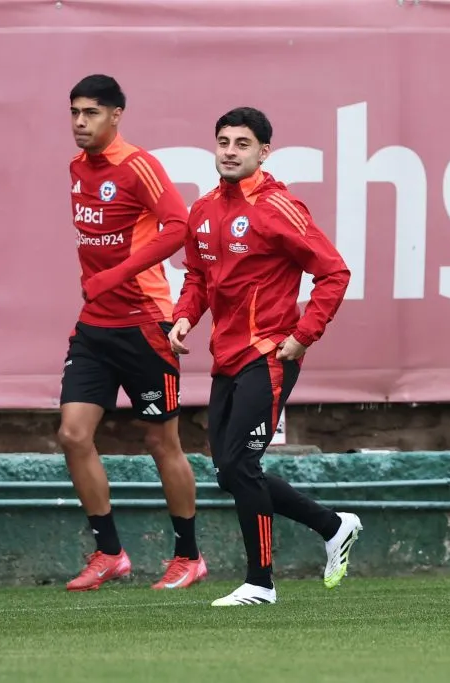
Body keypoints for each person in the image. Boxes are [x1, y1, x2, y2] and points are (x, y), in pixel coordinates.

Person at [168, 106, 362, 607]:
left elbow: (334, 273)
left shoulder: (278, 206)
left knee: (242, 463)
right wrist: (185, 315)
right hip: (225, 356)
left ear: (263, 152)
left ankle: (260, 583)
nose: (230, 152)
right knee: (230, 472)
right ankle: (333, 525)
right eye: (223, 142)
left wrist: (302, 336)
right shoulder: (204, 208)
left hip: (270, 352)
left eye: (242, 144)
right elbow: (197, 276)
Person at [62, 74, 206, 591]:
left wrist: (114, 277)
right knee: (73, 434)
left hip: (146, 324)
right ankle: (110, 553)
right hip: (94, 328)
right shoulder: (78, 167)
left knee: (161, 441)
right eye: (75, 112)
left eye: (92, 112)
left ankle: (189, 557)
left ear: (116, 114)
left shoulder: (138, 165)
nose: (81, 122)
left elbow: (179, 225)